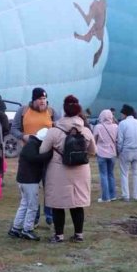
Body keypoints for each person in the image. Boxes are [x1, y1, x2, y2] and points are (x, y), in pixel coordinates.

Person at [40, 95, 96, 243]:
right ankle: (79, 234)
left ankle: (59, 235)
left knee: (58, 205)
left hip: (58, 170)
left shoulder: (54, 131)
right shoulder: (85, 131)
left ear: (64, 110)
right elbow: (92, 151)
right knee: (77, 204)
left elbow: (42, 150)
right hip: (81, 170)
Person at [11, 87, 59, 225]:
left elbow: (59, 127)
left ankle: (49, 214)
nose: (43, 101)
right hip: (29, 156)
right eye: (40, 99)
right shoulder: (23, 111)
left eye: (44, 99)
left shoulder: (51, 111)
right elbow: (13, 128)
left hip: (46, 155)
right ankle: (34, 217)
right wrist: (23, 136)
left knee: (48, 185)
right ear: (34, 100)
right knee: (32, 188)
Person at [8, 127, 52, 241]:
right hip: (30, 180)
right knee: (32, 206)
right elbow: (34, 159)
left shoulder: (31, 143)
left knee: (24, 204)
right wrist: (49, 154)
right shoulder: (33, 146)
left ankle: (16, 228)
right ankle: (27, 229)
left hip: (23, 179)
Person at [117, 104, 137, 201]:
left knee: (124, 173)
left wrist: (119, 150)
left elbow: (120, 140)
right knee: (136, 173)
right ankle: (136, 195)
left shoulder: (122, 124)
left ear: (125, 114)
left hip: (126, 150)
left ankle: (126, 195)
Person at [92, 109, 119, 202]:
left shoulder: (98, 127)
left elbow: (94, 139)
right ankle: (113, 195)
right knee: (111, 174)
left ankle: (105, 197)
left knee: (103, 175)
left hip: (101, 152)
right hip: (112, 153)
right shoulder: (116, 126)